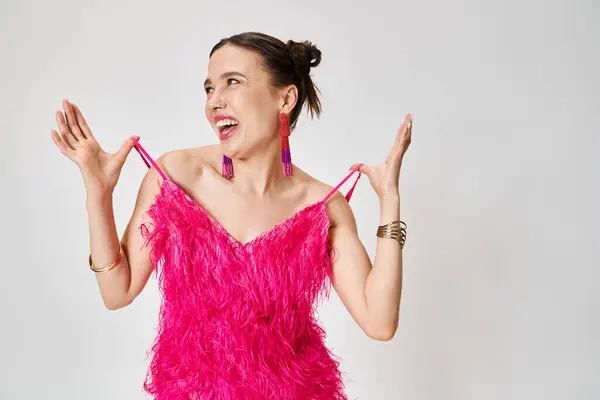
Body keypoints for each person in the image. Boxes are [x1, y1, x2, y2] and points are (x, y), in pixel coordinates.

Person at [51, 31, 412, 399]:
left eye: (232, 83)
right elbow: (117, 291)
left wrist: (390, 201)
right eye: (209, 89)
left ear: (285, 98)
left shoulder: (323, 208)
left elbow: (379, 322)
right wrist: (98, 195)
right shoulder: (176, 177)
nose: (215, 102)